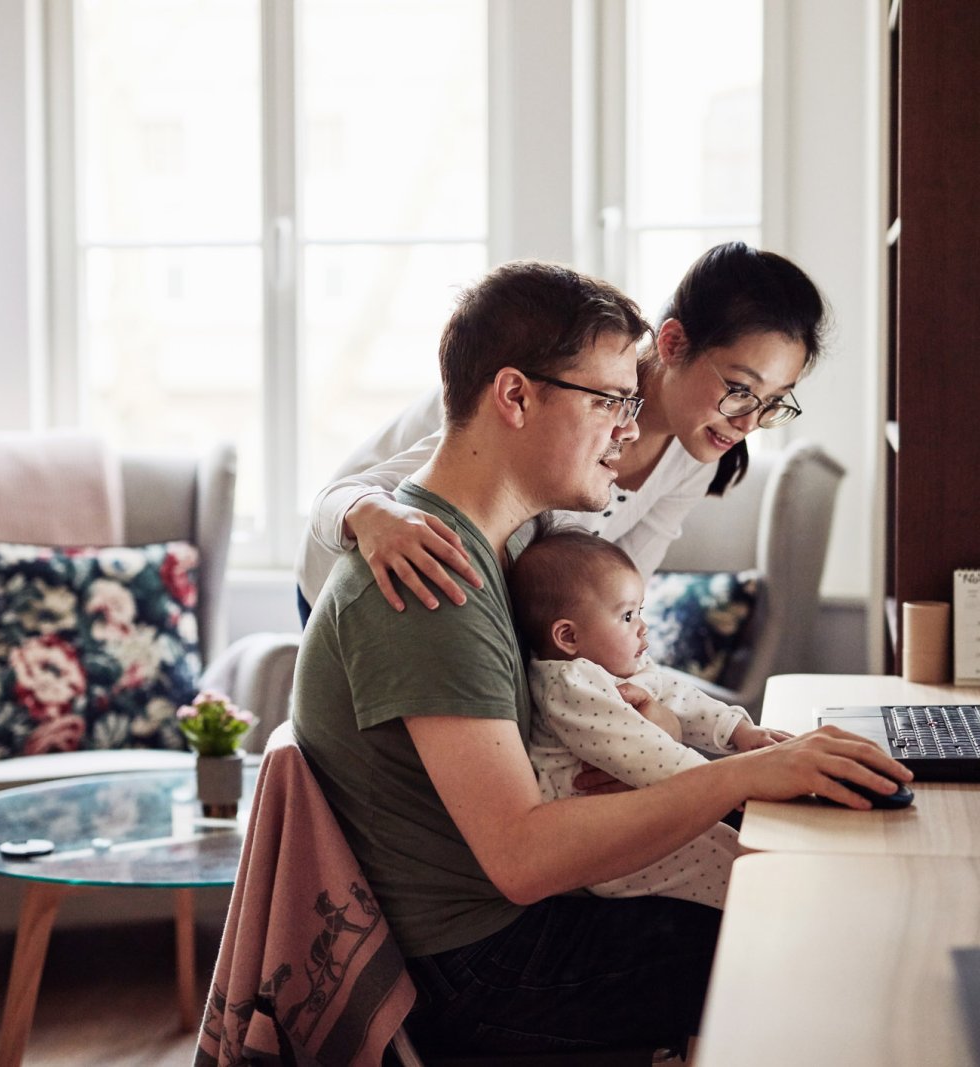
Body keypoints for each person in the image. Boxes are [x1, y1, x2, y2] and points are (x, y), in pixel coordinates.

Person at [290, 259, 910, 1056]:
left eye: (630, 401)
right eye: (612, 401)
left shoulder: (510, 555)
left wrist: (713, 739)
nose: (628, 429)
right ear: (516, 397)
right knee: (803, 949)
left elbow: (616, 640)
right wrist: (738, 775)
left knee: (789, 905)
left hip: (493, 928)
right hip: (479, 968)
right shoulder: (430, 568)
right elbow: (521, 855)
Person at [295, 240, 828, 625]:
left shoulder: (695, 452)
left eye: (773, 403)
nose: (747, 422)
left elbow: (618, 589)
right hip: (346, 566)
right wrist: (373, 516)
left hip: (459, 591)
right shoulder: (555, 397)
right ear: (672, 343)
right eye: (739, 388)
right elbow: (337, 498)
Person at [509, 526, 792, 911]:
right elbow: (644, 753)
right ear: (568, 637)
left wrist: (740, 733)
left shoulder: (620, 668)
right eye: (627, 615)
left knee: (749, 851)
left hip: (646, 810)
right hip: (606, 846)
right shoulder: (570, 685)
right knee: (738, 871)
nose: (643, 626)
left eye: (639, 611)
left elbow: (680, 698)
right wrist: (733, 785)